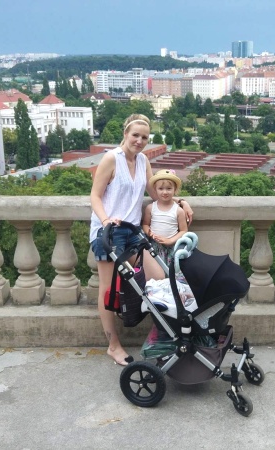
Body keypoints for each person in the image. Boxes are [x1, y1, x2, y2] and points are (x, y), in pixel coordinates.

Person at [89, 114, 193, 366]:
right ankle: (113, 345)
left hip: (133, 230)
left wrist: (181, 202)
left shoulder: (143, 160)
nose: (139, 140)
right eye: (135, 135)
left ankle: (164, 336)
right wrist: (105, 221)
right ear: (125, 134)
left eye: (144, 137)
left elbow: (156, 193)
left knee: (158, 278)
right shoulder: (111, 158)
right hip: (109, 231)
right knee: (108, 290)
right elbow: (95, 196)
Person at [142, 169, 188, 269]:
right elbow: (145, 224)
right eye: (161, 188)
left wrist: (170, 240)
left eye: (169, 188)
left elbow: (184, 230)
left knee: (171, 271)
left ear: (175, 189)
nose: (165, 192)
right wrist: (150, 233)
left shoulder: (178, 210)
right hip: (154, 246)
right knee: (156, 271)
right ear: (155, 190)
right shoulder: (150, 208)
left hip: (171, 247)